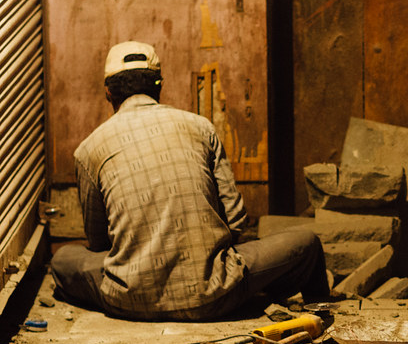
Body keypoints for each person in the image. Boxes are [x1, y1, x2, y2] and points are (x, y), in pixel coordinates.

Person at [50, 41, 329, 321]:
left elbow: (98, 242)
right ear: (159, 86)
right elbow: (235, 220)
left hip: (129, 300)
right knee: (306, 242)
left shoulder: (88, 149)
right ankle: (319, 314)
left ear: (108, 92)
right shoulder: (200, 127)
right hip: (216, 294)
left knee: (63, 260)